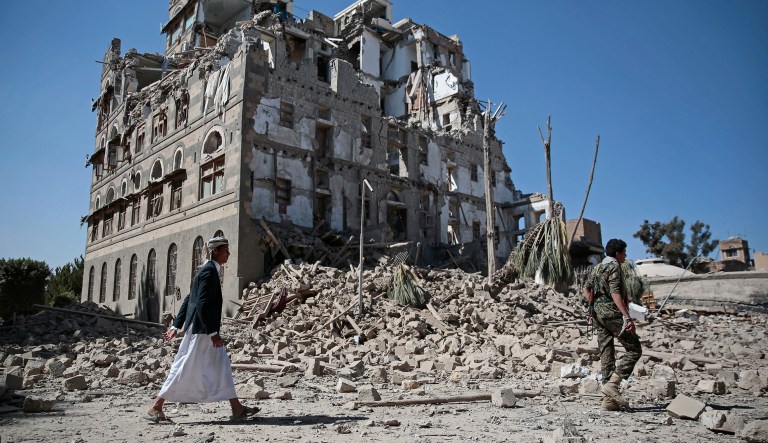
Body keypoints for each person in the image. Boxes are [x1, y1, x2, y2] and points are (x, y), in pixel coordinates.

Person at [146, 236, 258, 422]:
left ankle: (237, 408)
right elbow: (202, 304)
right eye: (225, 250)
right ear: (216, 251)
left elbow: (190, 299)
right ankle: (156, 406)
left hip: (201, 328)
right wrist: (212, 333)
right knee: (184, 366)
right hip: (202, 331)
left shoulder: (206, 271)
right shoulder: (208, 272)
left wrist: (176, 325)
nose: (228, 253)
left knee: (221, 365)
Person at [584, 238, 642, 411]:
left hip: (598, 315)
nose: (625, 255)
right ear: (617, 253)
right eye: (624, 252)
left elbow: (587, 290)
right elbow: (616, 293)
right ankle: (613, 384)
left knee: (606, 353)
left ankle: (608, 402)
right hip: (612, 314)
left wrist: (593, 307)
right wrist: (627, 317)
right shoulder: (614, 267)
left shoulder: (597, 268)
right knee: (634, 349)